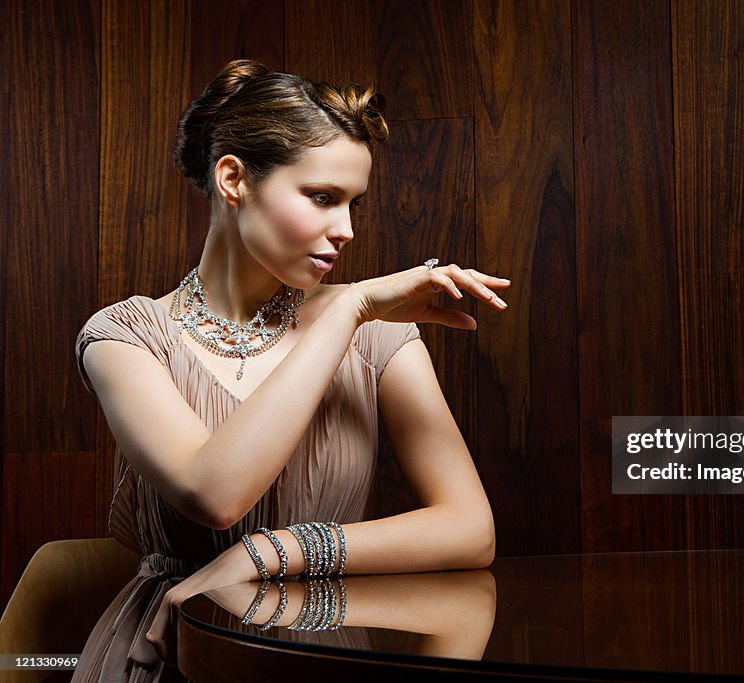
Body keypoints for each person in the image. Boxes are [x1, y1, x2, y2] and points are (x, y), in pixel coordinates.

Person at [72, 59, 507, 681]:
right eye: (322, 198)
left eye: (354, 203)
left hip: (324, 646)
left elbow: (471, 531)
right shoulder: (125, 335)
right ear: (233, 180)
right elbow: (215, 495)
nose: (348, 230)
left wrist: (272, 553)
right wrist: (345, 310)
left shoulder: (381, 332)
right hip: (171, 651)